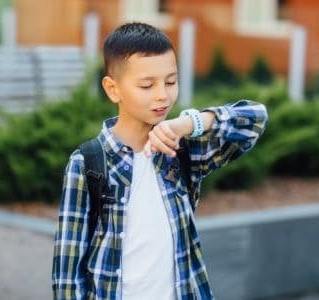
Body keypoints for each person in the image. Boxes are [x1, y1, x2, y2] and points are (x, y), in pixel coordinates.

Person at [52, 22, 268, 299]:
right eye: (146, 85)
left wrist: (191, 123)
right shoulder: (88, 163)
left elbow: (255, 119)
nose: (162, 95)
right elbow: (67, 273)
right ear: (112, 88)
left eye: (171, 81)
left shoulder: (183, 151)